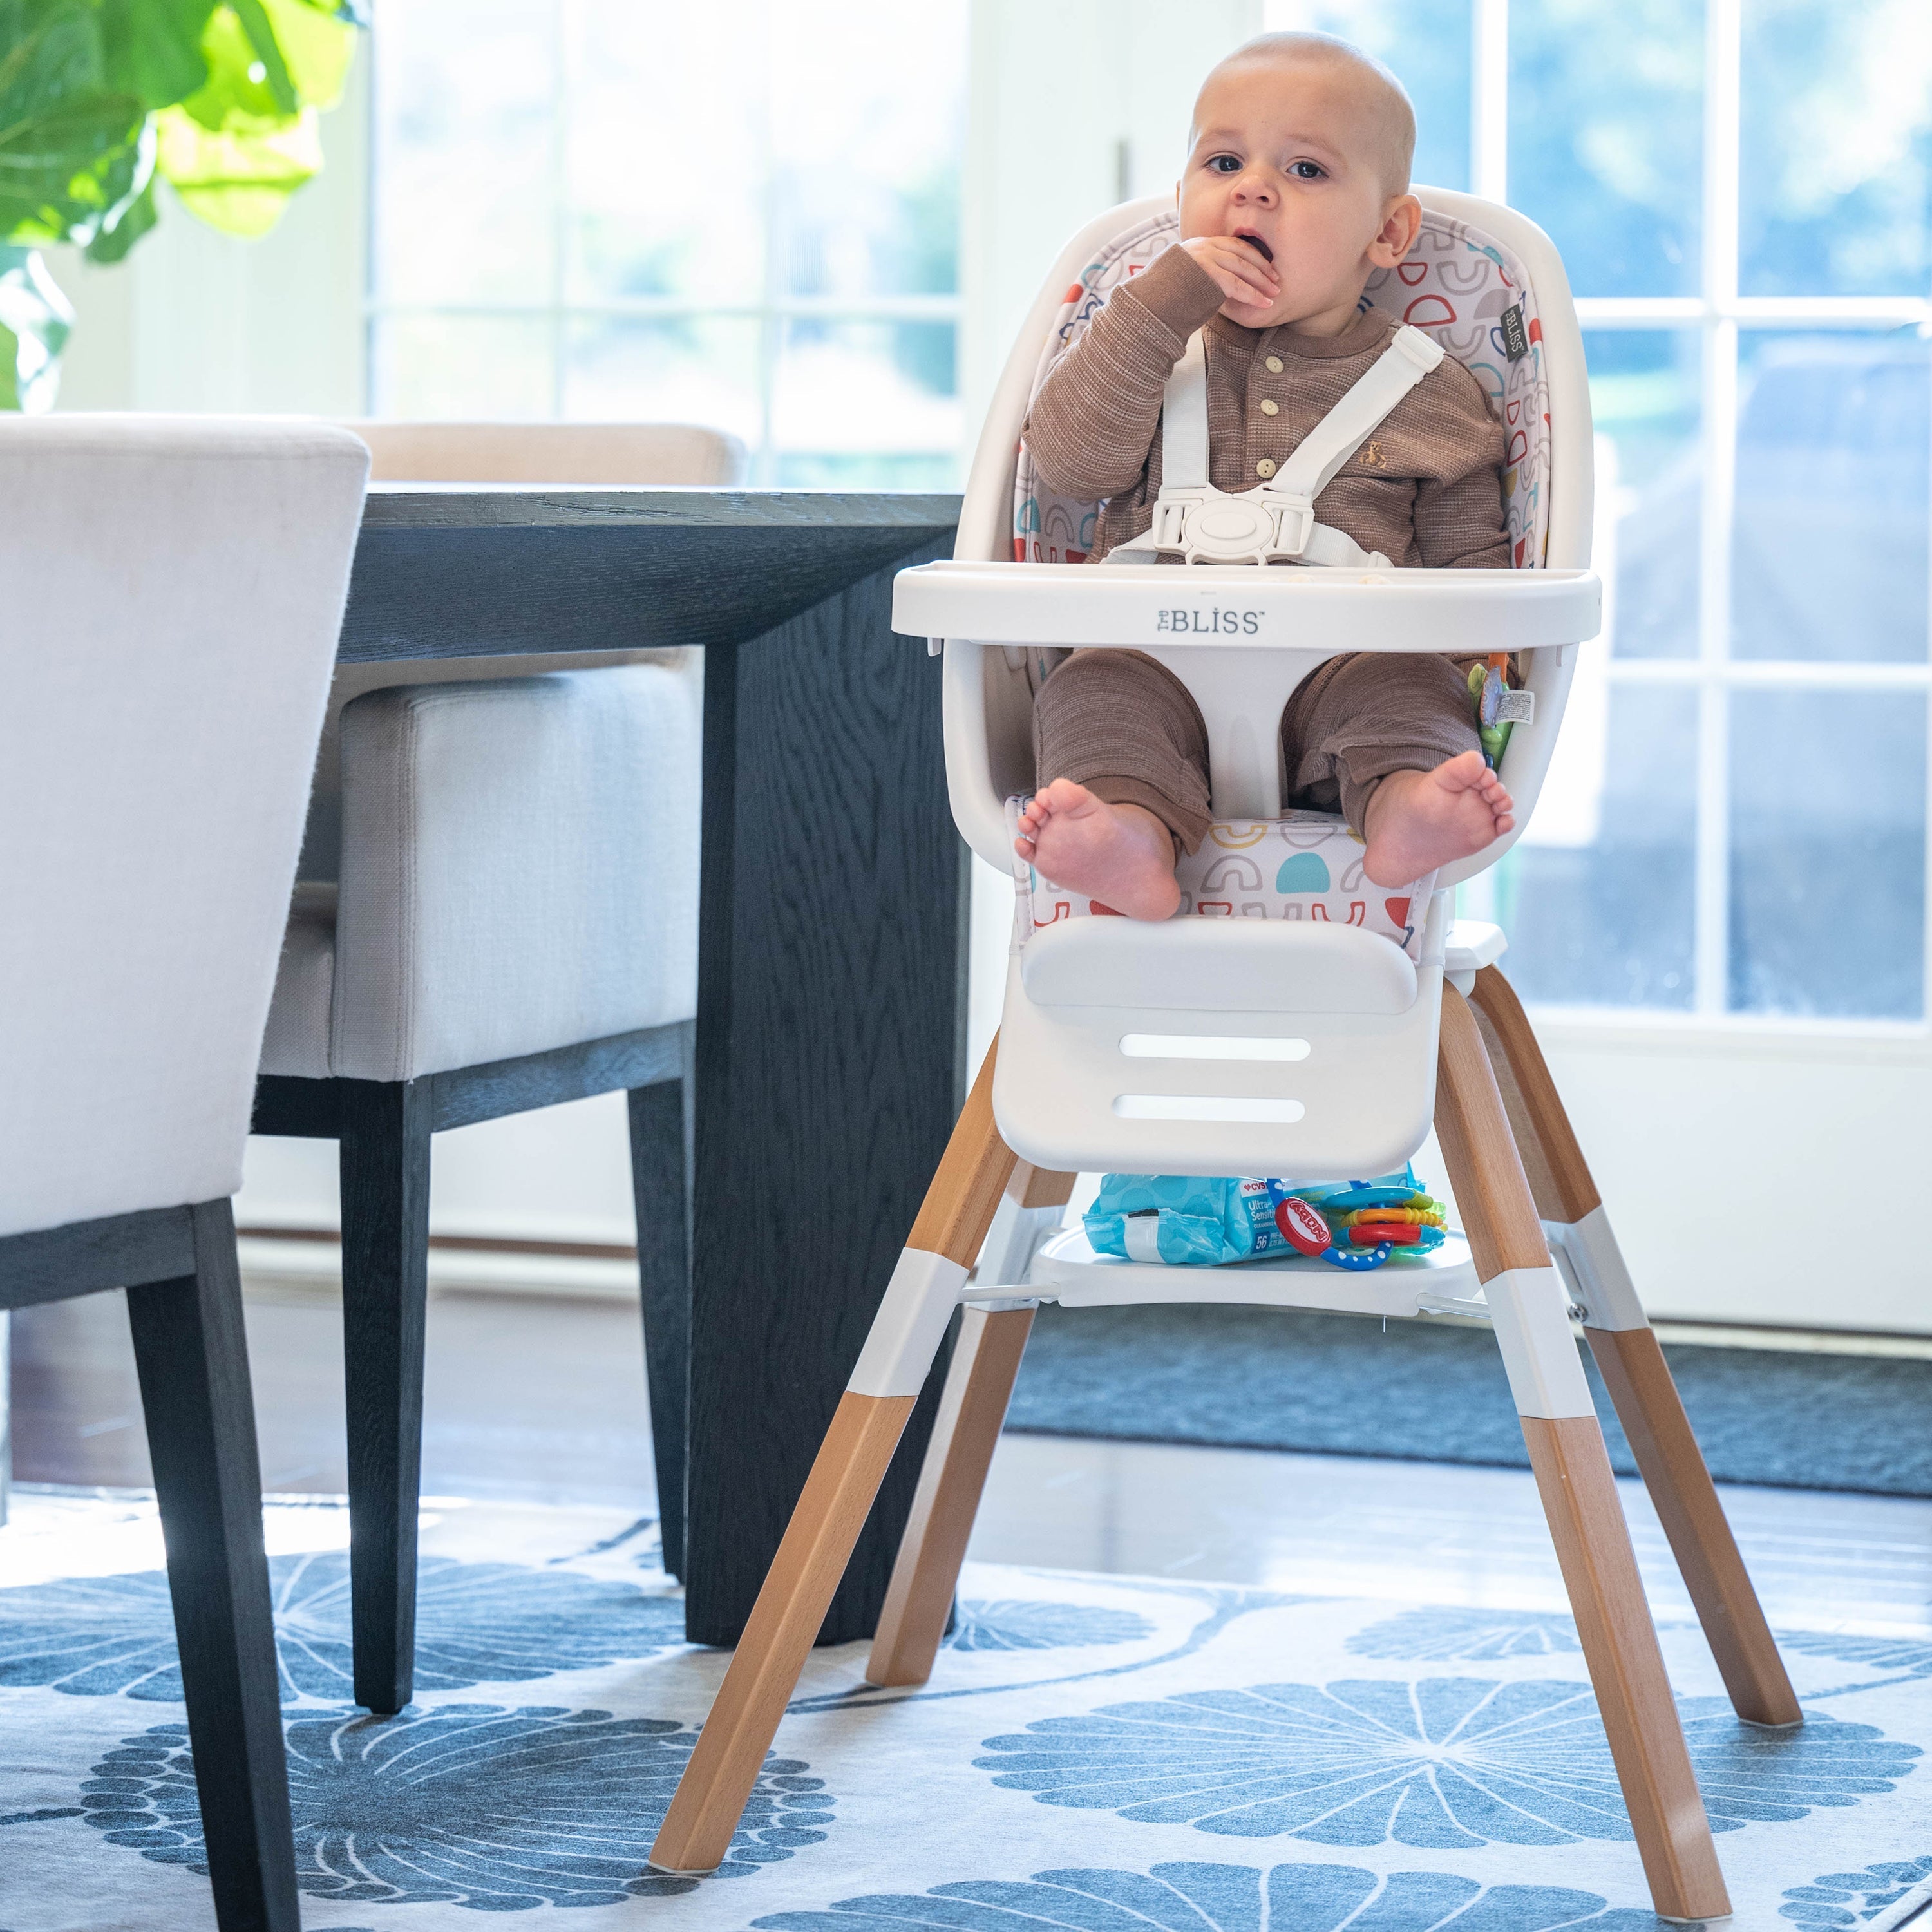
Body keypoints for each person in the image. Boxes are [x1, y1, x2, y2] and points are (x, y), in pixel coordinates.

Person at [1014, 31, 1516, 920]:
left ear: (1387, 232)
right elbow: (1068, 464)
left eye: (1307, 171)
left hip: (1347, 668)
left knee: (1414, 697)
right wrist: (1162, 302)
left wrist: (1471, 675)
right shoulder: (1144, 351)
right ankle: (1129, 836)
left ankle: (1404, 807)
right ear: (1181, 203)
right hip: (1150, 656)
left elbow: (1470, 564)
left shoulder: (1432, 388)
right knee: (1088, 696)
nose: (1252, 186)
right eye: (1223, 161)